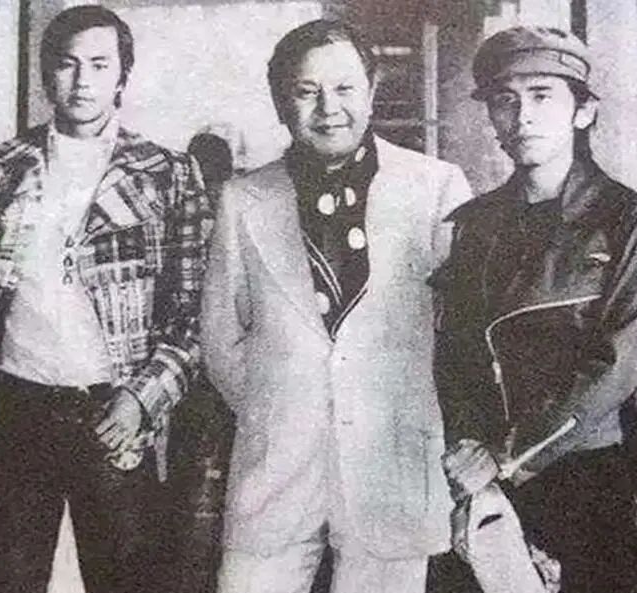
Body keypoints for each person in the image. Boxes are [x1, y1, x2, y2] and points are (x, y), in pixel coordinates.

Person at [202, 19, 471, 593]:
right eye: (307, 91)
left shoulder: (436, 188)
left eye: (345, 88)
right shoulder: (242, 199)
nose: (329, 108)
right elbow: (221, 337)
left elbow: (458, 334)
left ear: (372, 91)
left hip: (391, 465)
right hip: (275, 469)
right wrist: (280, 403)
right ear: (282, 102)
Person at [0, 6, 211, 592]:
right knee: (0, 580)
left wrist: (143, 398)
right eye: (67, 65)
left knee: (128, 580)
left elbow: (193, 316)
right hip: (15, 406)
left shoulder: (166, 173)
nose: (82, 81)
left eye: (99, 64)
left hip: (114, 408)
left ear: (122, 75)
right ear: (47, 74)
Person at [431, 26, 637, 593]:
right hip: (486, 484)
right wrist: (469, 451)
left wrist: (505, 454)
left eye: (542, 96)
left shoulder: (627, 218)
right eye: (504, 101)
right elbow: (454, 354)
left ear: (582, 111)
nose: (522, 117)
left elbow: (616, 366)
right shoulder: (474, 224)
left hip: (587, 480)